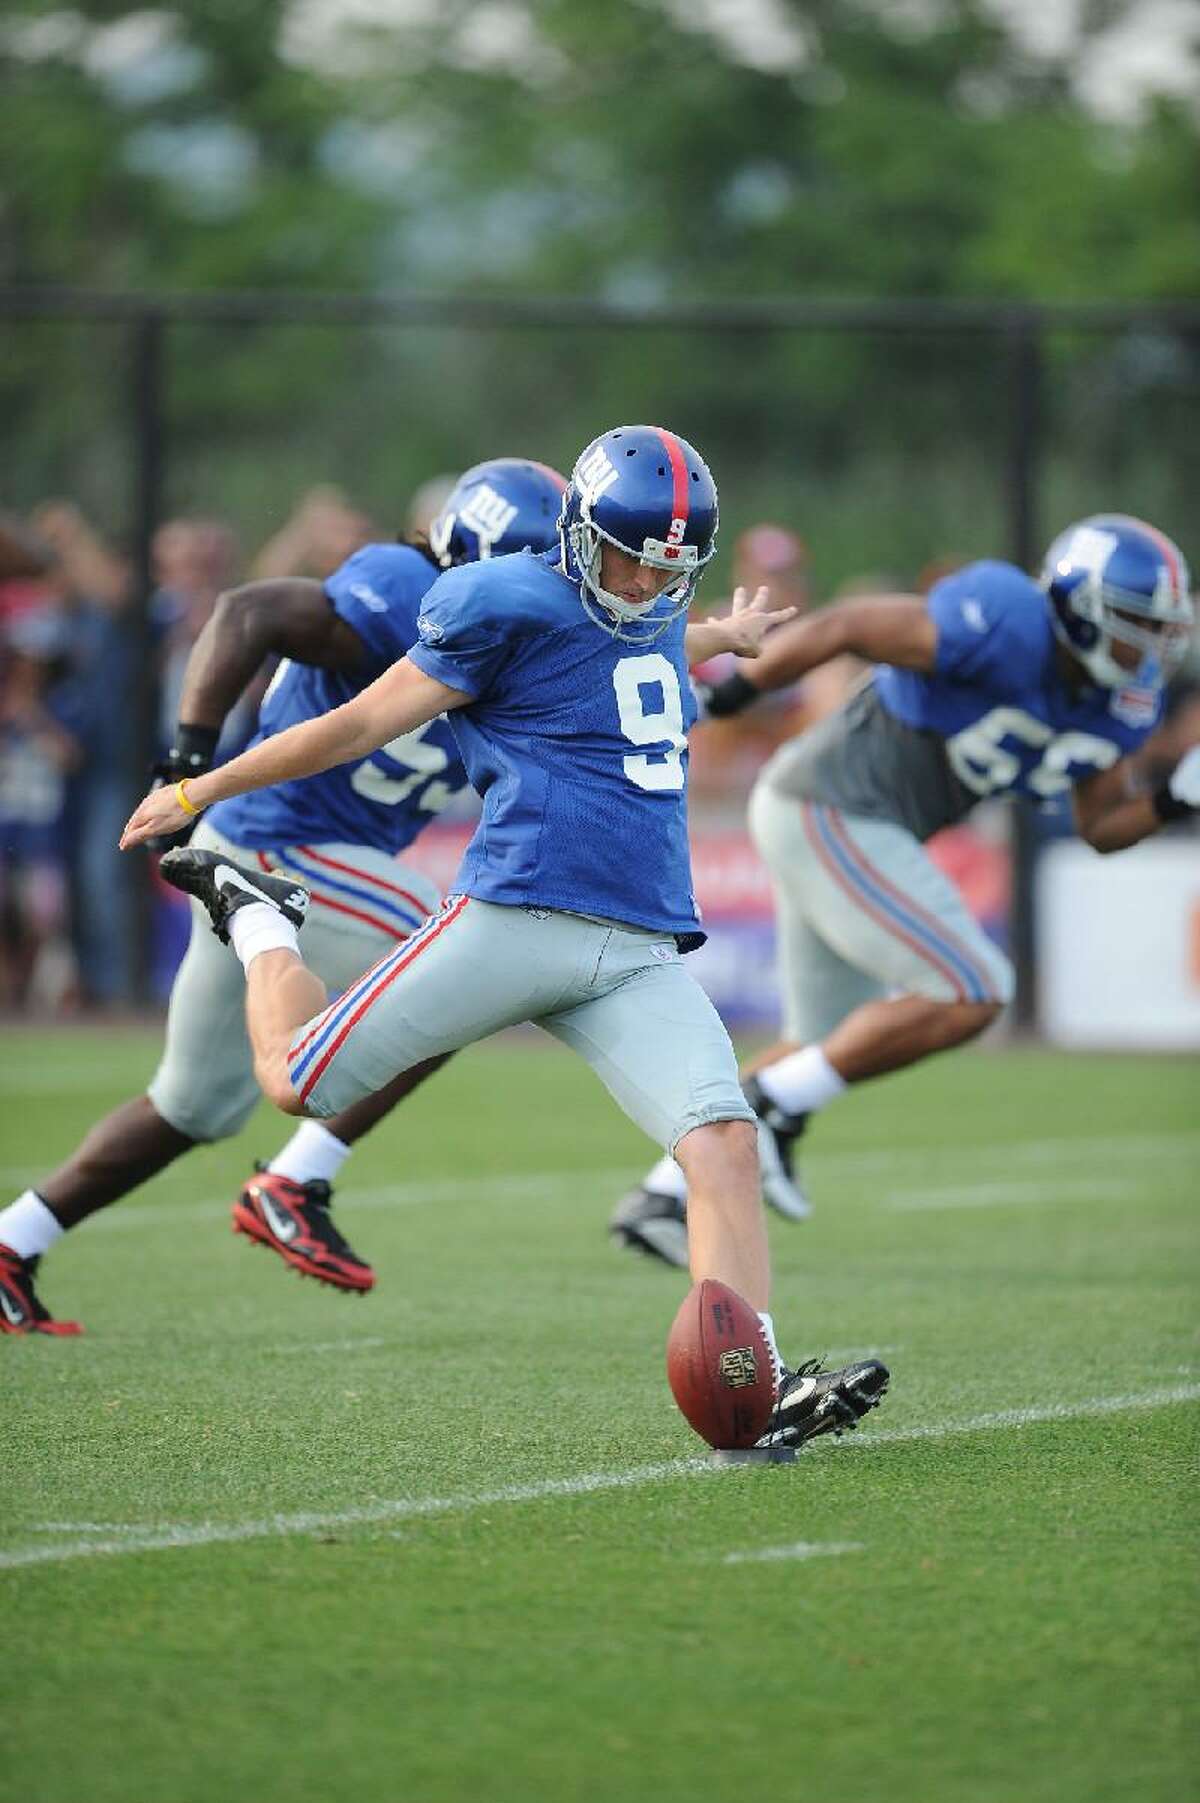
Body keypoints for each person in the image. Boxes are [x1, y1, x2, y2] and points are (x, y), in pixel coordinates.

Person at [111, 424, 891, 1452]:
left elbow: (647, 629)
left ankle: (758, 1380)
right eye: (627, 557)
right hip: (518, 916)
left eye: (669, 566)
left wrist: (719, 634)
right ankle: (257, 915)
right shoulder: (503, 601)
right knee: (297, 1084)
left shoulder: (645, 604)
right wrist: (199, 787)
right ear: (575, 535)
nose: (644, 581)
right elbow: (355, 726)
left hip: (641, 945)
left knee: (725, 1142)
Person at [0, 458, 568, 1334]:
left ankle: (12, 1241)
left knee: (194, 1105)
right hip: (278, 842)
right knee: (474, 959)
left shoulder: (512, 636)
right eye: (538, 566)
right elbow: (247, 611)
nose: (550, 587)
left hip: (282, 860)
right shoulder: (406, 585)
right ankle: (297, 1179)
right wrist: (188, 766)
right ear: (481, 553)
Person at [611, 513, 1198, 1265]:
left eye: (1162, 628)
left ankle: (663, 1193)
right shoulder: (1007, 622)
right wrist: (735, 690)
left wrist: (1176, 799)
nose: (1151, 648)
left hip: (852, 820)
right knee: (973, 984)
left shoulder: (1119, 702)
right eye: (1135, 624)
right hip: (831, 802)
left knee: (816, 1045)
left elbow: (1103, 823)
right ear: (1080, 608)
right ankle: (777, 1105)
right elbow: (851, 625)